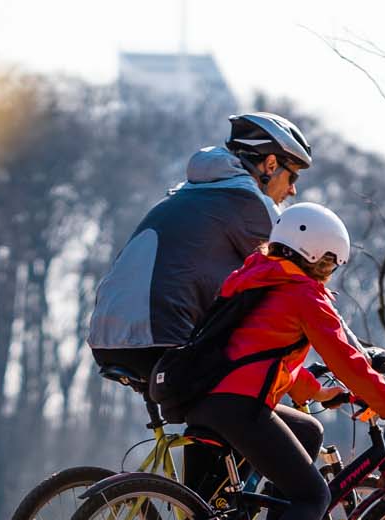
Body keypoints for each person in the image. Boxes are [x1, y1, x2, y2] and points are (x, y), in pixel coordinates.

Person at [182, 201, 385, 520]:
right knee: (314, 495)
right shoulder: (304, 294)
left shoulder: (257, 274)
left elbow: (263, 354)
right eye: (332, 261)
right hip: (241, 404)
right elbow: (350, 360)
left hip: (212, 396)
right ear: (316, 254)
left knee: (308, 428)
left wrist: (318, 392)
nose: (332, 271)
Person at [90, 114, 315, 497]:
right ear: (270, 165)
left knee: (222, 406)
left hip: (110, 335)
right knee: (249, 410)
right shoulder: (249, 204)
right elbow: (300, 293)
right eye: (292, 177)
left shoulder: (189, 193)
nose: (292, 191)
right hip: (159, 340)